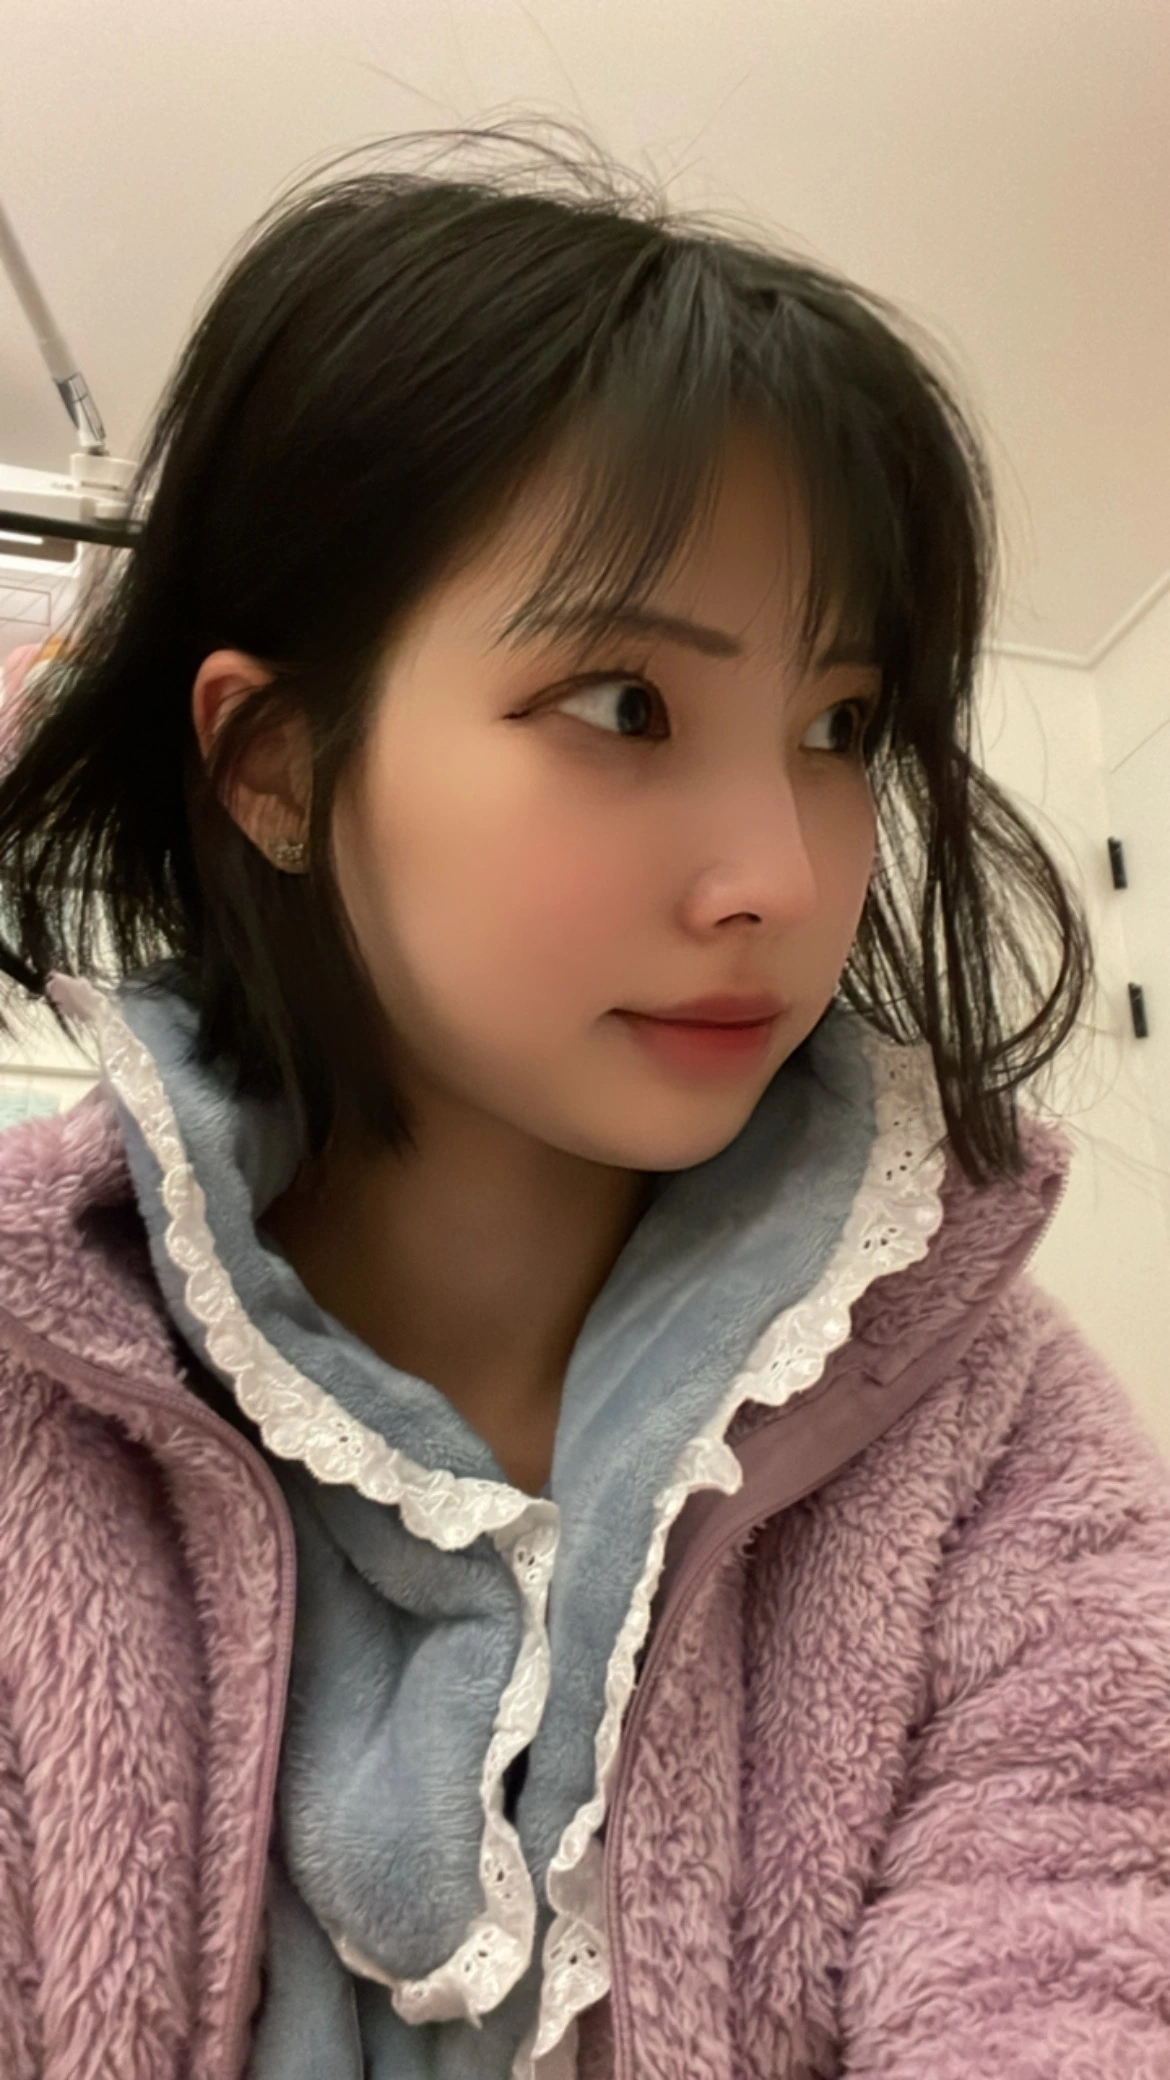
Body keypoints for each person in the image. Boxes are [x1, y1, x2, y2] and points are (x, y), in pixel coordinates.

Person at [0, 123, 1167, 2080]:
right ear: (274, 763)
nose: (779, 874)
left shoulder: (989, 1428)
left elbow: (1083, 1941)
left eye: (838, 725)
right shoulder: (37, 1386)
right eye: (626, 706)